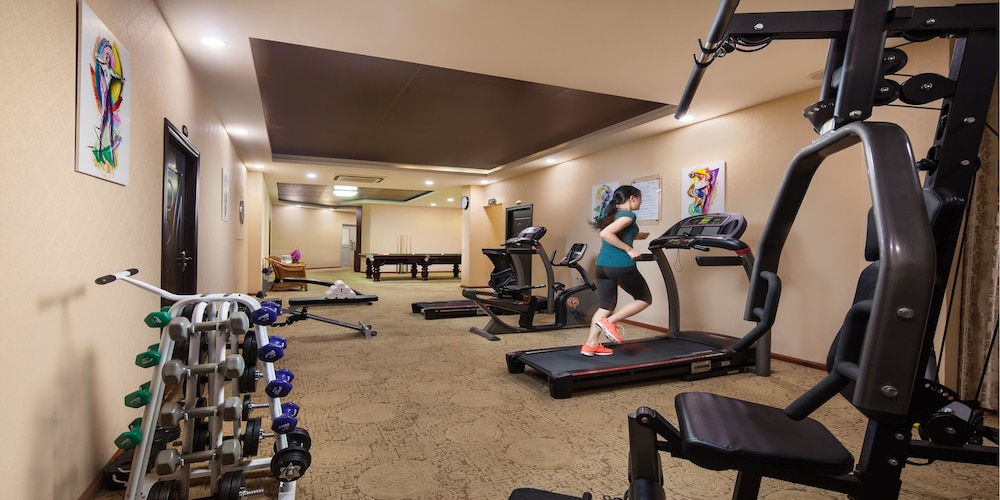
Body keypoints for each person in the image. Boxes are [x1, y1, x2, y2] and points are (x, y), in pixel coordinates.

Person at [582, 185, 652, 356]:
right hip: (620, 265)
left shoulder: (614, 214)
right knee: (644, 299)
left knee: (605, 306)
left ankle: (591, 345)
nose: (641, 202)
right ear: (632, 198)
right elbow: (606, 234)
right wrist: (629, 249)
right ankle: (610, 322)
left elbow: (617, 233)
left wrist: (636, 235)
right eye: (640, 199)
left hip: (602, 266)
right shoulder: (629, 215)